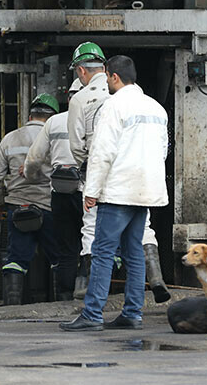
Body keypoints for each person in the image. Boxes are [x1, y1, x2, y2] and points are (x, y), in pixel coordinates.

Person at [61, 55, 169, 331]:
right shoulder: (157, 108)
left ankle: (93, 314)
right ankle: (133, 313)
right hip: (146, 190)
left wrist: (92, 190)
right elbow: (163, 150)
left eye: (107, 77)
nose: (106, 81)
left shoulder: (114, 106)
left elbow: (102, 152)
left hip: (118, 190)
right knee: (134, 252)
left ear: (114, 77)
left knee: (103, 251)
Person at [0, 94, 60, 305]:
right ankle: (64, 306)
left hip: (18, 207)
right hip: (50, 206)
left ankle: (12, 309)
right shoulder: (56, 138)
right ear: (52, 118)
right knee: (59, 259)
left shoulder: (11, 138)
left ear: (30, 115)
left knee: (16, 260)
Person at [23, 83, 81, 300]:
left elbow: (34, 158)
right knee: (93, 244)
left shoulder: (55, 122)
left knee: (66, 249)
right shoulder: (100, 118)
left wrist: (28, 176)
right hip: (89, 193)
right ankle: (91, 295)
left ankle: (66, 297)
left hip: (60, 193)